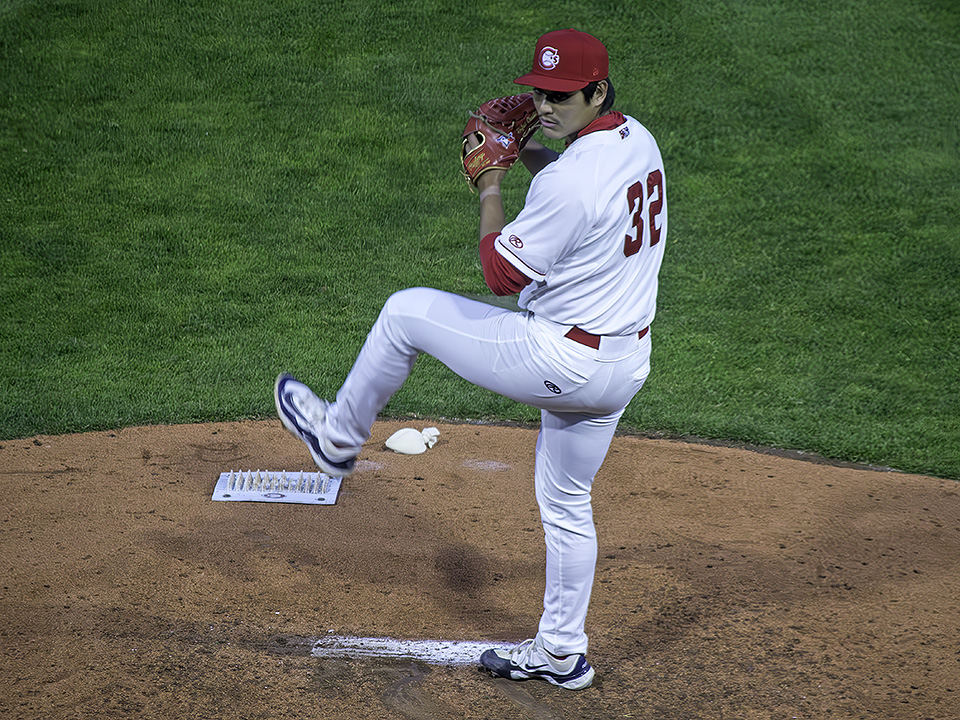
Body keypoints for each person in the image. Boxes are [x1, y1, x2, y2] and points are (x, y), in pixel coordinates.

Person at [275, 28, 667, 690]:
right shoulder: (638, 141)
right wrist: (534, 150)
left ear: (597, 91)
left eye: (560, 96)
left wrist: (490, 180)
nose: (544, 103)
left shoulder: (573, 182)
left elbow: (497, 272)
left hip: (559, 357)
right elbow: (582, 194)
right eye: (537, 92)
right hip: (622, 366)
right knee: (568, 500)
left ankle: (337, 439)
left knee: (405, 313)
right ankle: (561, 653)